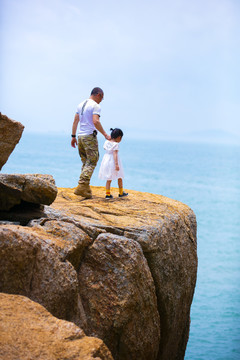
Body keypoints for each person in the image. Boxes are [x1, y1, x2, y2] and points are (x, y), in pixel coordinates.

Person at [71, 87, 110, 198]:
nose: (101, 100)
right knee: (93, 160)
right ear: (98, 94)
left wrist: (73, 136)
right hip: (89, 136)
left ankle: (85, 188)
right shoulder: (95, 106)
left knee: (85, 162)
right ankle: (82, 185)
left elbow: (75, 121)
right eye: (102, 98)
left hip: (80, 136)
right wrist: (105, 134)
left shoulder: (80, 104)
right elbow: (96, 121)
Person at [98, 128, 128, 199]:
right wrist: (117, 164)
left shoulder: (106, 142)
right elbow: (115, 154)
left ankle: (108, 194)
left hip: (106, 160)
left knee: (109, 178)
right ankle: (121, 192)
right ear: (119, 137)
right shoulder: (116, 145)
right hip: (113, 161)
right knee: (119, 176)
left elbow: (105, 148)